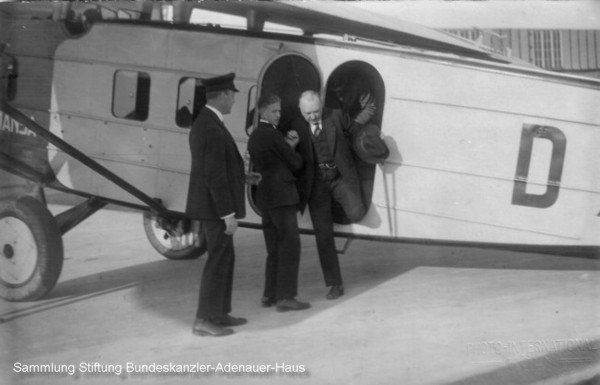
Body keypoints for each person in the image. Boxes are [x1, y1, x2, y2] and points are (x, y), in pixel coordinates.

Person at [290, 90, 369, 300]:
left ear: (322, 106)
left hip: (339, 179)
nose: (313, 117)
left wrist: (373, 141)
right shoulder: (297, 127)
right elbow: (291, 157)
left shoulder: (335, 115)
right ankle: (335, 283)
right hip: (316, 185)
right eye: (308, 114)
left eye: (316, 111)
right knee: (323, 236)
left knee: (358, 213)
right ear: (301, 111)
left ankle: (337, 208)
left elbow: (358, 131)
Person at [185, 72, 246, 337]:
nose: (233, 100)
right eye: (232, 95)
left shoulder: (209, 122)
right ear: (222, 96)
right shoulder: (210, 126)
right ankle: (203, 319)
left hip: (212, 207)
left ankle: (219, 312)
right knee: (217, 261)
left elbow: (220, 167)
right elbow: (213, 176)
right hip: (214, 209)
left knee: (225, 258)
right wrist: (227, 214)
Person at [247, 93, 310, 312]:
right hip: (283, 197)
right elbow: (294, 163)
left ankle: (269, 295)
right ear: (262, 111)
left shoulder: (255, 136)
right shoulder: (273, 135)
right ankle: (286, 297)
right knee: (290, 246)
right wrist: (293, 147)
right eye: (274, 111)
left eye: (280, 111)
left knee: (274, 249)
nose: (278, 115)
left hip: (266, 198)